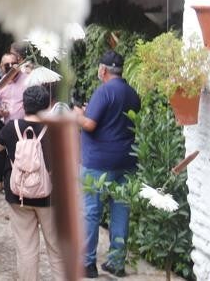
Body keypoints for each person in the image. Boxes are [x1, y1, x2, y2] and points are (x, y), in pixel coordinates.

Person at [75, 51, 141, 279]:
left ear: (103, 70)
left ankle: (87, 264)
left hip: (98, 162)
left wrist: (77, 116)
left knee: (91, 212)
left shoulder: (104, 91)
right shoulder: (132, 93)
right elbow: (117, 121)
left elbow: (90, 124)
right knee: (121, 210)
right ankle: (116, 263)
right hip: (127, 161)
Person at [0, 85, 65, 281]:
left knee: (26, 247)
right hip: (49, 197)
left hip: (18, 195)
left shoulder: (11, 127)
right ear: (47, 106)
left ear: (24, 105)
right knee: (56, 248)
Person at [0, 45, 26, 191]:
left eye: (13, 64)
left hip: (22, 126)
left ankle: (18, 186)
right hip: (4, 124)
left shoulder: (27, 80)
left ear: (18, 64)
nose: (10, 67)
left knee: (19, 156)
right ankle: (2, 182)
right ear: (1, 67)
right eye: (6, 65)